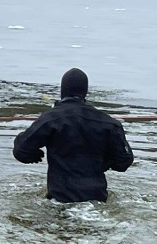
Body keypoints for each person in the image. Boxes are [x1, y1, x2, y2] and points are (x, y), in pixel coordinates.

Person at [12, 68, 133, 203]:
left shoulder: (51, 118)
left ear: (62, 91)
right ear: (85, 92)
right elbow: (124, 161)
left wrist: (34, 155)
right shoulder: (109, 123)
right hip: (97, 198)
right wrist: (102, 163)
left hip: (59, 198)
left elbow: (22, 150)